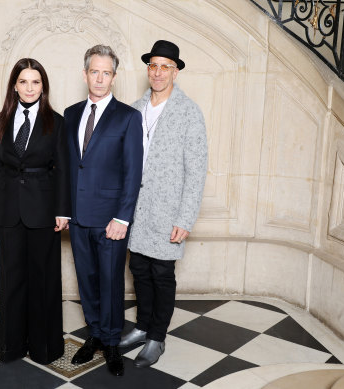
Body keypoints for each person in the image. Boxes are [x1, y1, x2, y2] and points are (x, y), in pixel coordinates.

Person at [119, 40, 208, 368]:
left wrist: (185, 217)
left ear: (176, 71)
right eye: (153, 65)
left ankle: (157, 336)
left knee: (161, 272)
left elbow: (196, 170)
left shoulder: (189, 112)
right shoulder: (134, 108)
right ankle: (142, 327)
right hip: (137, 209)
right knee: (138, 269)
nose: (158, 72)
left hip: (168, 209)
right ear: (148, 69)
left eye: (165, 66)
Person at [64, 44, 143, 377]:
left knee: (111, 282)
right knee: (87, 281)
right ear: (85, 74)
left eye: (106, 72)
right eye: (93, 71)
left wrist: (123, 217)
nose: (99, 78)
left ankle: (111, 342)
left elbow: (132, 172)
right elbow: (68, 167)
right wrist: (65, 211)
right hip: (79, 217)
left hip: (112, 220)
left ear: (114, 76)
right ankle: (94, 334)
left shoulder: (127, 117)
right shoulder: (69, 114)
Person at [0, 58, 70, 365]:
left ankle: (44, 348)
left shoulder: (56, 122)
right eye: (23, 82)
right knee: (11, 280)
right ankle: (10, 346)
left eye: (35, 82)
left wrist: (63, 211)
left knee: (44, 280)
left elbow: (62, 169)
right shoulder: (1, 119)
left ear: (43, 86)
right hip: (9, 208)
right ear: (14, 85)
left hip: (44, 210)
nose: (29, 88)